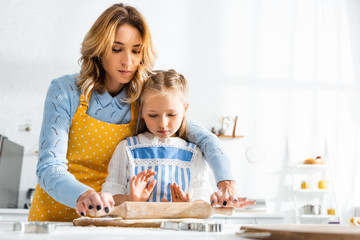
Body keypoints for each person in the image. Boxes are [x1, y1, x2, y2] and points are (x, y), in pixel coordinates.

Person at [28, 3, 253, 222]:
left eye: (136, 51)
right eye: (117, 49)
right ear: (98, 49)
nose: (128, 61)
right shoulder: (65, 91)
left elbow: (205, 140)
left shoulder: (144, 96)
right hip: (54, 215)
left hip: (111, 218)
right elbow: (49, 167)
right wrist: (84, 195)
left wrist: (226, 184)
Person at [99, 70, 212, 209]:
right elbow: (109, 196)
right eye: (153, 115)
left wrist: (186, 208)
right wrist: (130, 199)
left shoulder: (194, 153)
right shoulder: (127, 148)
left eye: (171, 114)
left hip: (178, 229)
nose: (163, 123)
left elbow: (204, 197)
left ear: (185, 109)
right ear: (141, 111)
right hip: (135, 230)